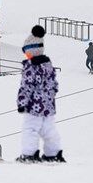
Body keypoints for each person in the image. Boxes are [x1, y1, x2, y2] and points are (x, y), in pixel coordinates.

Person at [16, 25, 64, 162]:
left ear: (31, 50)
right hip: (48, 105)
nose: (25, 55)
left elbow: (26, 87)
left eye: (26, 52)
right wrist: (50, 96)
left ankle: (29, 154)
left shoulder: (30, 67)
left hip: (33, 105)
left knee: (30, 128)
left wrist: (22, 103)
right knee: (49, 130)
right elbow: (54, 85)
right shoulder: (48, 65)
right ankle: (53, 154)